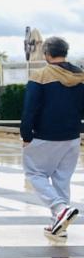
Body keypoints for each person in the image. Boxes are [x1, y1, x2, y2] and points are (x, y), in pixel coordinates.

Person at [20, 36, 84, 239]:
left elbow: (30, 107)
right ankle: (59, 224)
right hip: (72, 136)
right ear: (65, 52)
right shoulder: (80, 76)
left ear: (47, 53)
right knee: (62, 178)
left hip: (45, 136)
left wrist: (26, 134)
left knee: (35, 173)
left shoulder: (40, 75)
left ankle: (59, 209)